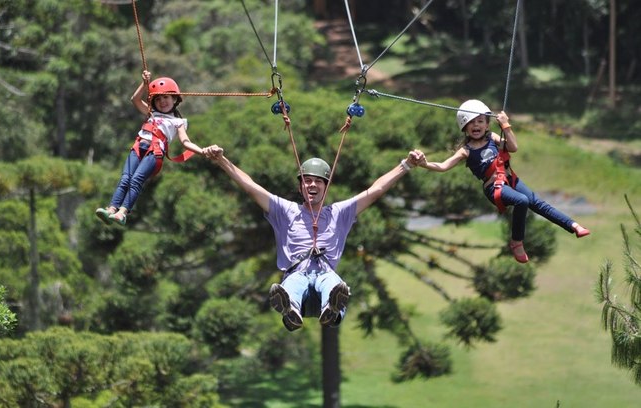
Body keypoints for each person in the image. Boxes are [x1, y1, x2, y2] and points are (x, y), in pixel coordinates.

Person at [204, 145, 425, 331]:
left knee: (334, 284)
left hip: (325, 275)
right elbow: (251, 187)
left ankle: (332, 308)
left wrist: (405, 165)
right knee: (292, 285)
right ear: (300, 186)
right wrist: (222, 161)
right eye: (307, 180)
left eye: (318, 181)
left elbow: (375, 190)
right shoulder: (285, 210)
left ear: (326, 188)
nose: (312, 185)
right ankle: (290, 309)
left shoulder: (339, 213)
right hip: (296, 273)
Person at [418, 99, 590, 264]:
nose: (476, 125)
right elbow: (443, 166)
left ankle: (573, 225)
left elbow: (513, 147)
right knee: (522, 201)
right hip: (494, 188)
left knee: (537, 203)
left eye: (480, 121)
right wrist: (424, 163)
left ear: (487, 124)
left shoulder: (492, 137)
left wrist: (505, 126)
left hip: (510, 179)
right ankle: (516, 242)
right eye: (471, 122)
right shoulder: (466, 151)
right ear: (464, 126)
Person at [95, 70, 207, 226]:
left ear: (175, 98)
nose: (162, 101)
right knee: (125, 179)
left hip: (154, 152)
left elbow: (186, 142)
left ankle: (122, 212)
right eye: (158, 98)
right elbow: (135, 99)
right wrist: (144, 83)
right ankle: (111, 209)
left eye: (166, 97)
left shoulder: (178, 122)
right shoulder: (151, 112)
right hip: (138, 147)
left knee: (135, 180)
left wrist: (201, 151)